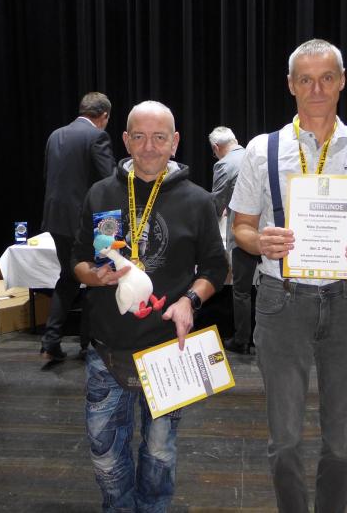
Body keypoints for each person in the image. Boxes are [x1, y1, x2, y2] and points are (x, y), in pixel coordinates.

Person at [229, 39, 347, 512]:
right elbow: (241, 227)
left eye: (326, 78)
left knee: (341, 443)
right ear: (291, 85)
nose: (316, 89)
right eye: (306, 79)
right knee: (285, 441)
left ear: (342, 82)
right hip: (281, 300)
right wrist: (260, 242)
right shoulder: (261, 150)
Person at [71, 101, 228, 511]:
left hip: (167, 351)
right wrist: (95, 276)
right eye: (139, 137)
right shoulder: (100, 193)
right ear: (125, 140)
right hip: (106, 348)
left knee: (159, 453)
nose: (149, 147)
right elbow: (78, 261)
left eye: (159, 137)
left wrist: (190, 300)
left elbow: (216, 267)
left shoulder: (197, 201)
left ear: (174, 142)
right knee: (105, 455)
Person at [40, 92, 116, 362]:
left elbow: (50, 176)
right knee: (96, 278)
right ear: (104, 116)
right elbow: (109, 180)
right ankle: (88, 342)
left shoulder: (55, 135)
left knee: (68, 277)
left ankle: (51, 341)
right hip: (87, 221)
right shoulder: (97, 136)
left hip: (55, 218)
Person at [209, 126, 259, 355]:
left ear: (216, 147)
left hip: (243, 234)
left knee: (241, 291)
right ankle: (263, 338)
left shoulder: (224, 164)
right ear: (236, 140)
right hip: (268, 231)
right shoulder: (255, 157)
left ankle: (242, 340)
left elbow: (216, 204)